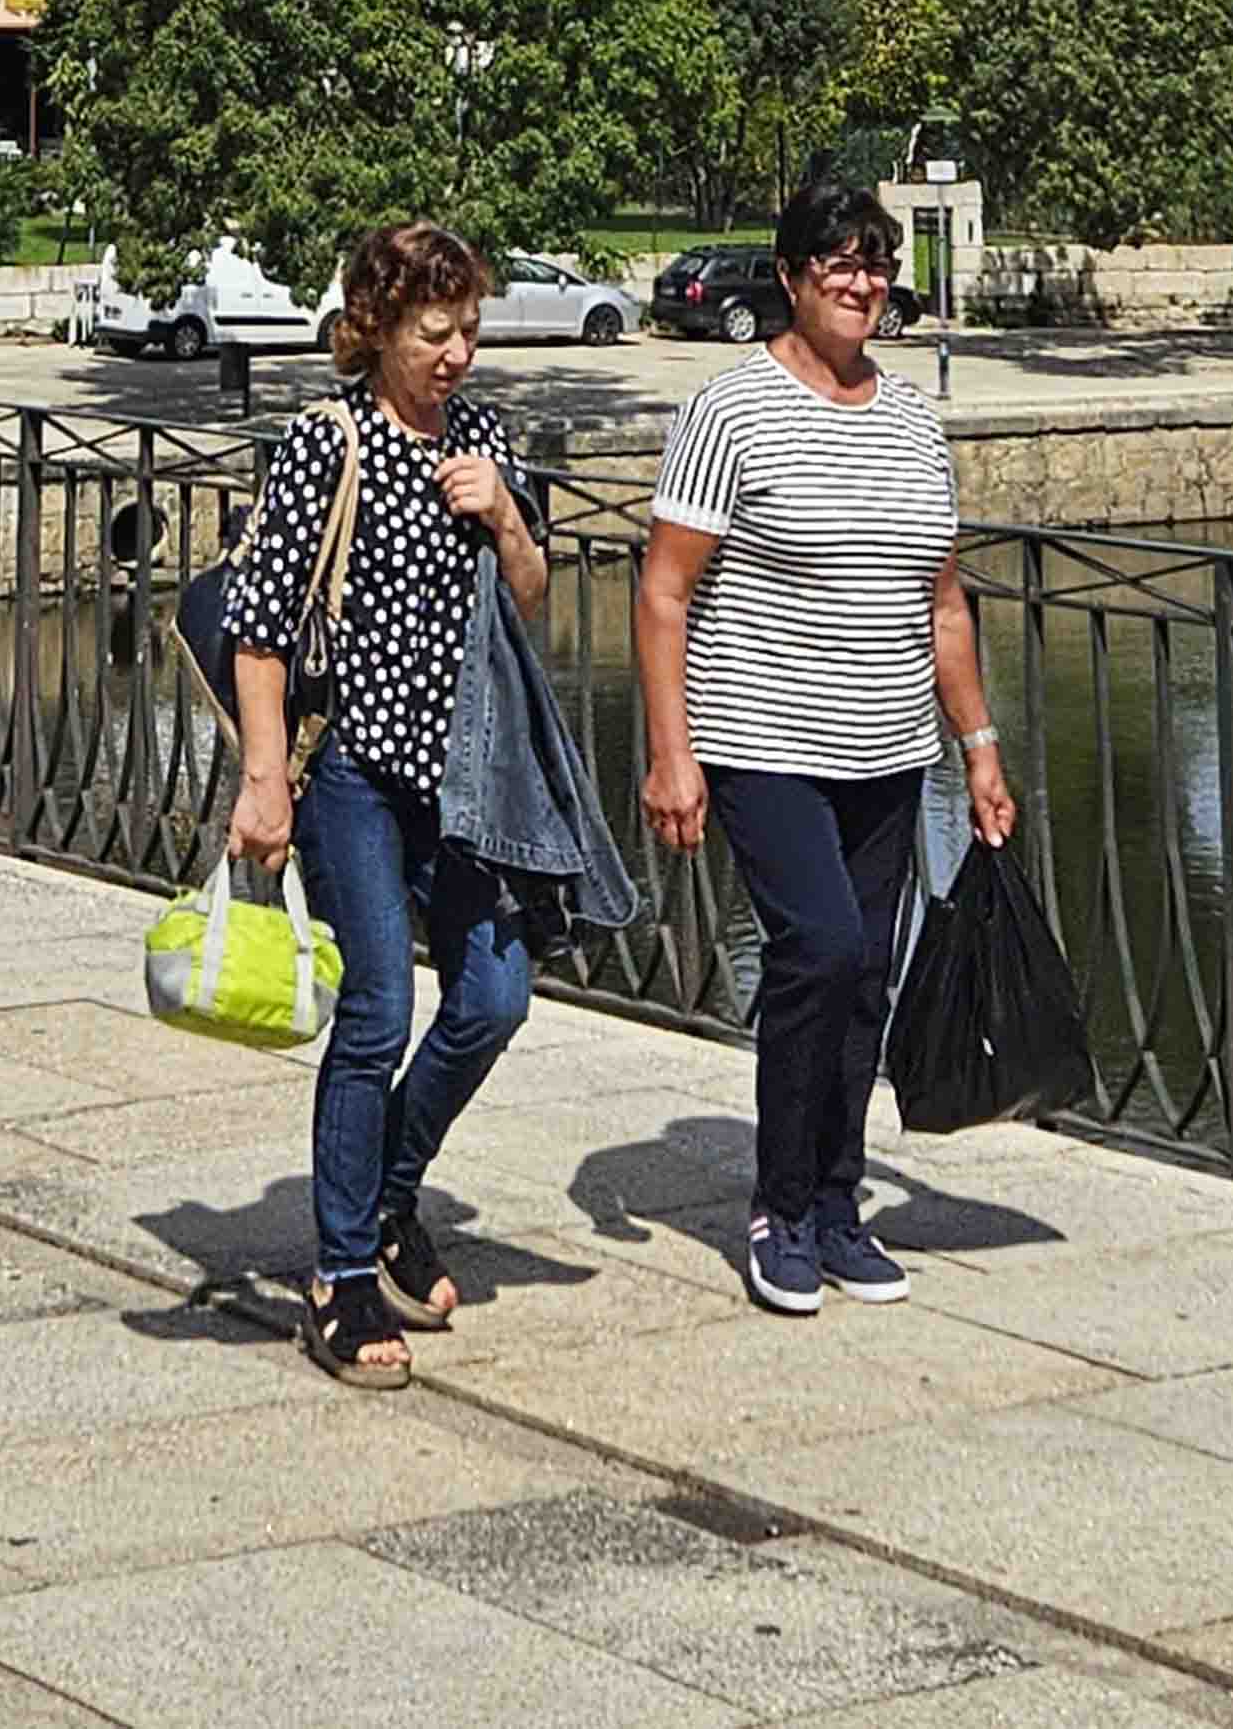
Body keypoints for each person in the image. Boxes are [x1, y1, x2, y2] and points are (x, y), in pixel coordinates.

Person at [636, 182, 1018, 1320]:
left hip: (887, 745)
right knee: (818, 948)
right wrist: (670, 752)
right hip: (761, 736)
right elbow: (663, 589)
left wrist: (978, 746)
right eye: (835, 264)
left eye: (873, 265)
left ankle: (838, 1205)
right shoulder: (731, 409)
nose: (858, 284)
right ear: (792, 277)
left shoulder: (908, 420)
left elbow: (939, 599)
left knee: (866, 979)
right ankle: (778, 1204)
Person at [213, 222, 547, 1389]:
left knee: (496, 994)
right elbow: (256, 624)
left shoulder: (484, 436)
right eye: (433, 332)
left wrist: (502, 512)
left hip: (464, 777)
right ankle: (341, 1274)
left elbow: (531, 592)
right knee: (373, 1012)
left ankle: (389, 1191)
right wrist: (264, 780)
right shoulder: (328, 438)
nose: (457, 354)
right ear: (378, 328)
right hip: (351, 769)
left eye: (468, 330)